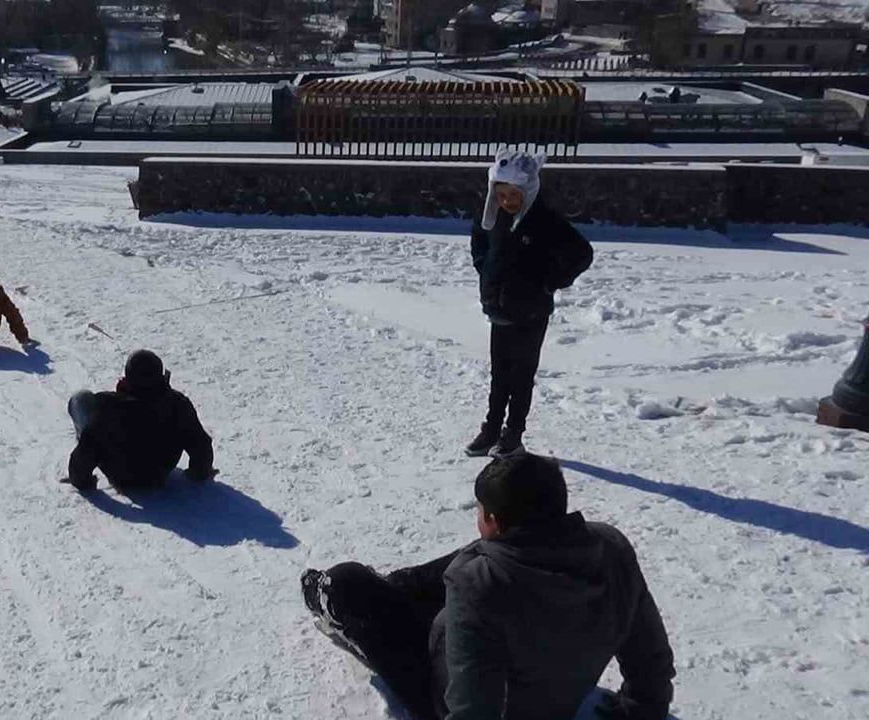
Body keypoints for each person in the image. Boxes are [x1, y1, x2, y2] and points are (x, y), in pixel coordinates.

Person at [301, 454, 675, 720]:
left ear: (492, 518)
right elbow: (650, 654)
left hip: (453, 690)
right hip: (540, 664)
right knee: (486, 553)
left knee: (347, 581)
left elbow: (472, 709)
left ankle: (335, 600)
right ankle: (393, 586)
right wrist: (644, 708)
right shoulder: (610, 547)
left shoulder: (479, 583)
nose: (478, 520)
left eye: (480, 513)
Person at [467, 149, 593, 458]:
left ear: (529, 190)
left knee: (521, 376)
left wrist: (549, 282)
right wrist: (485, 270)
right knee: (500, 375)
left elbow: (582, 253)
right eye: (501, 194)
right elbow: (479, 242)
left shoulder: (545, 221)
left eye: (514, 195)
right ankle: (492, 428)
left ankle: (514, 433)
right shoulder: (494, 217)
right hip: (499, 310)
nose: (508, 200)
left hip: (531, 312)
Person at [65, 350, 214, 493]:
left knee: (81, 399)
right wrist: (199, 472)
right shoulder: (177, 404)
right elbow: (201, 443)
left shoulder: (107, 405)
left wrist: (81, 480)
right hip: (158, 474)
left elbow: (88, 447)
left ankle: (81, 435)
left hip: (120, 476)